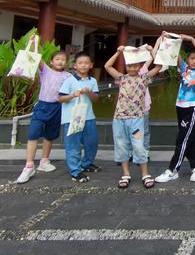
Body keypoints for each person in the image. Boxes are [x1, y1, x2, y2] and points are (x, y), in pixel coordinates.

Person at [104, 45, 162, 188]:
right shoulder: (121, 78)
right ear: (126, 67)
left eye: (136, 66)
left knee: (138, 146)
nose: (132, 69)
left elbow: (159, 66)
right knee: (122, 145)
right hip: (119, 119)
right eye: (130, 66)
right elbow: (107, 66)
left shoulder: (144, 78)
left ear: (140, 66)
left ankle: (145, 174)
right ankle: (125, 174)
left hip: (136, 119)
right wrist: (118, 52)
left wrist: (150, 51)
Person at [155, 33, 195, 183]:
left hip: (193, 108)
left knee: (182, 140)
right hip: (180, 107)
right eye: (192, 58)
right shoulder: (183, 68)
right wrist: (168, 39)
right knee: (189, 138)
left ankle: (172, 170)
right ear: (188, 60)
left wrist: (191, 39)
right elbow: (175, 54)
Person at [16, 51, 72, 184]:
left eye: (63, 60)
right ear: (51, 62)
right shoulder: (46, 71)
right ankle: (29, 166)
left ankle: (44, 161)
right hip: (42, 106)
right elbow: (36, 58)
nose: (60, 62)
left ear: (67, 63)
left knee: (49, 136)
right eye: (57, 59)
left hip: (57, 108)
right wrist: (34, 42)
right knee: (33, 134)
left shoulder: (68, 76)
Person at [58, 52, 100, 183]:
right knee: (73, 145)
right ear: (75, 66)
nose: (83, 65)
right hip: (72, 119)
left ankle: (86, 164)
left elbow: (96, 99)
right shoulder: (69, 80)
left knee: (92, 143)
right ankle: (75, 171)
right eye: (80, 63)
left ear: (91, 65)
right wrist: (72, 95)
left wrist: (89, 92)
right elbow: (60, 98)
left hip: (88, 117)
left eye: (86, 63)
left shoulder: (92, 81)